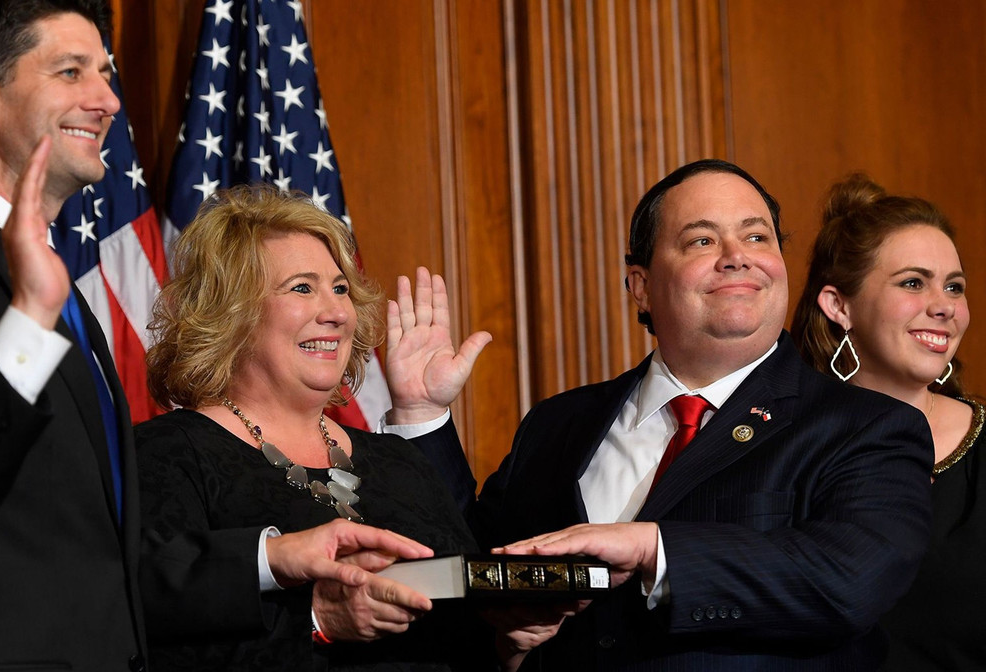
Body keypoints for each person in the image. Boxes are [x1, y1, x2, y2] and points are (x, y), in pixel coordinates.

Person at [0, 2, 430, 670]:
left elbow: (96, 551)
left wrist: (269, 557)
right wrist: (26, 324)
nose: (107, 99)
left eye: (107, 73)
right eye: (71, 71)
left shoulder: (49, 284)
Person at [391, 159, 934, 669]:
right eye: (702, 239)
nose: (737, 255)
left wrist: (655, 548)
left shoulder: (869, 427)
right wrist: (421, 415)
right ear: (641, 286)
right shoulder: (557, 424)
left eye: (756, 236)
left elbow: (848, 578)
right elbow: (461, 573)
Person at [134, 185, 527, 670]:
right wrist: (316, 622)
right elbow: (147, 639)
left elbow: (465, 640)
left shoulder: (398, 459)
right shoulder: (165, 456)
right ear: (229, 313)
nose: (337, 312)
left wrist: (513, 644)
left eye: (340, 288)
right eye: (302, 288)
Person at [791, 174, 980, 671]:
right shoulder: (778, 443)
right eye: (913, 283)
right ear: (839, 305)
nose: (944, 307)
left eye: (954, 287)